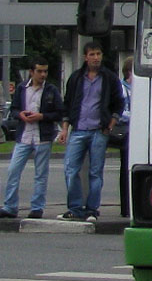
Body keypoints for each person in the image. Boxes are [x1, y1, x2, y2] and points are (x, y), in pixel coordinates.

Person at [56, 42, 125, 221]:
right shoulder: (76, 78)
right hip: (78, 129)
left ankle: (92, 209)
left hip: (98, 130)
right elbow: (68, 103)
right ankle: (75, 208)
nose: (96, 58)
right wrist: (64, 129)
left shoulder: (109, 78)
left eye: (98, 54)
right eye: (92, 54)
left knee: (95, 172)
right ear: (86, 57)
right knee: (71, 169)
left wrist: (111, 122)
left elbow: (119, 101)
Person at [0, 58, 63, 219]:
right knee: (14, 170)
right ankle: (10, 206)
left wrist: (42, 116)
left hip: (42, 136)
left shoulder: (51, 90)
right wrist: (20, 115)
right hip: (24, 136)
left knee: (40, 174)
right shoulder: (22, 88)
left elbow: (59, 112)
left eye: (45, 71)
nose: (43, 75)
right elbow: (14, 108)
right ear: (31, 72)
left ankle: (37, 207)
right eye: (39, 71)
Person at [117, 57, 133, 217]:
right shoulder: (121, 88)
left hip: (136, 131)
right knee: (125, 169)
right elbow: (121, 112)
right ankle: (126, 208)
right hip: (127, 132)